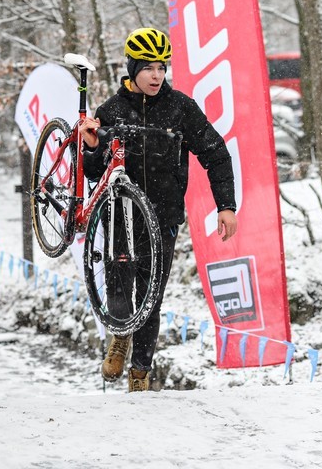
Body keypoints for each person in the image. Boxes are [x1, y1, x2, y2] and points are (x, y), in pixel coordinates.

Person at [78, 27, 238, 392]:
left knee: (151, 295)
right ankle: (119, 336)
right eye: (149, 68)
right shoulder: (112, 110)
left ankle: (140, 371)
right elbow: (92, 172)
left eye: (162, 67)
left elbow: (215, 153)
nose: (157, 75)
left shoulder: (180, 107)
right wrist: (90, 146)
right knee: (119, 285)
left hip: (163, 217)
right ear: (133, 69)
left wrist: (225, 206)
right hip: (121, 215)